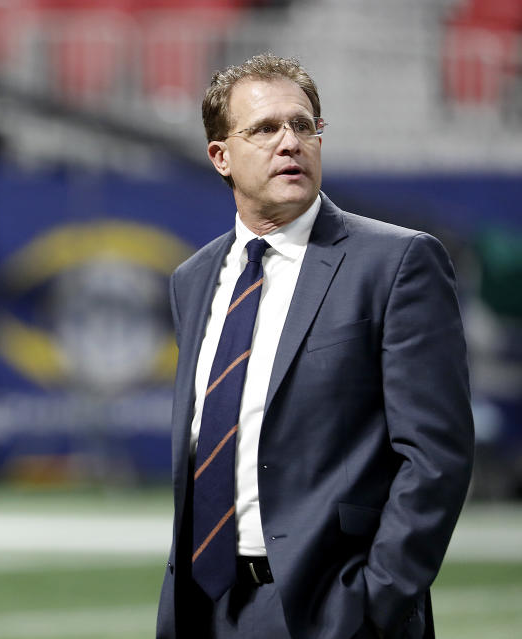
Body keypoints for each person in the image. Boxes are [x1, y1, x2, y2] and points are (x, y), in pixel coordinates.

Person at [156, 53, 473, 639]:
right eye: (265, 128)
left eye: (304, 126)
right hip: (205, 609)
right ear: (220, 156)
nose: (290, 142)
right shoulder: (193, 279)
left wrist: (376, 602)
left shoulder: (398, 261)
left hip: (333, 610)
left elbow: (436, 456)